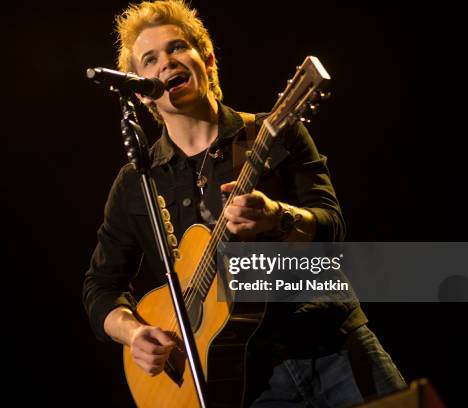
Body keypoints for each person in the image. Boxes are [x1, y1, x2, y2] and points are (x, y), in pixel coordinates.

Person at [82, 1, 406, 406]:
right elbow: (101, 286)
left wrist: (278, 217)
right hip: (242, 381)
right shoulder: (136, 182)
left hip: (332, 347)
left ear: (208, 60)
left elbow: (332, 229)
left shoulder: (272, 133)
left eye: (177, 48)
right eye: (150, 59)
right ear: (142, 92)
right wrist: (133, 333)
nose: (166, 63)